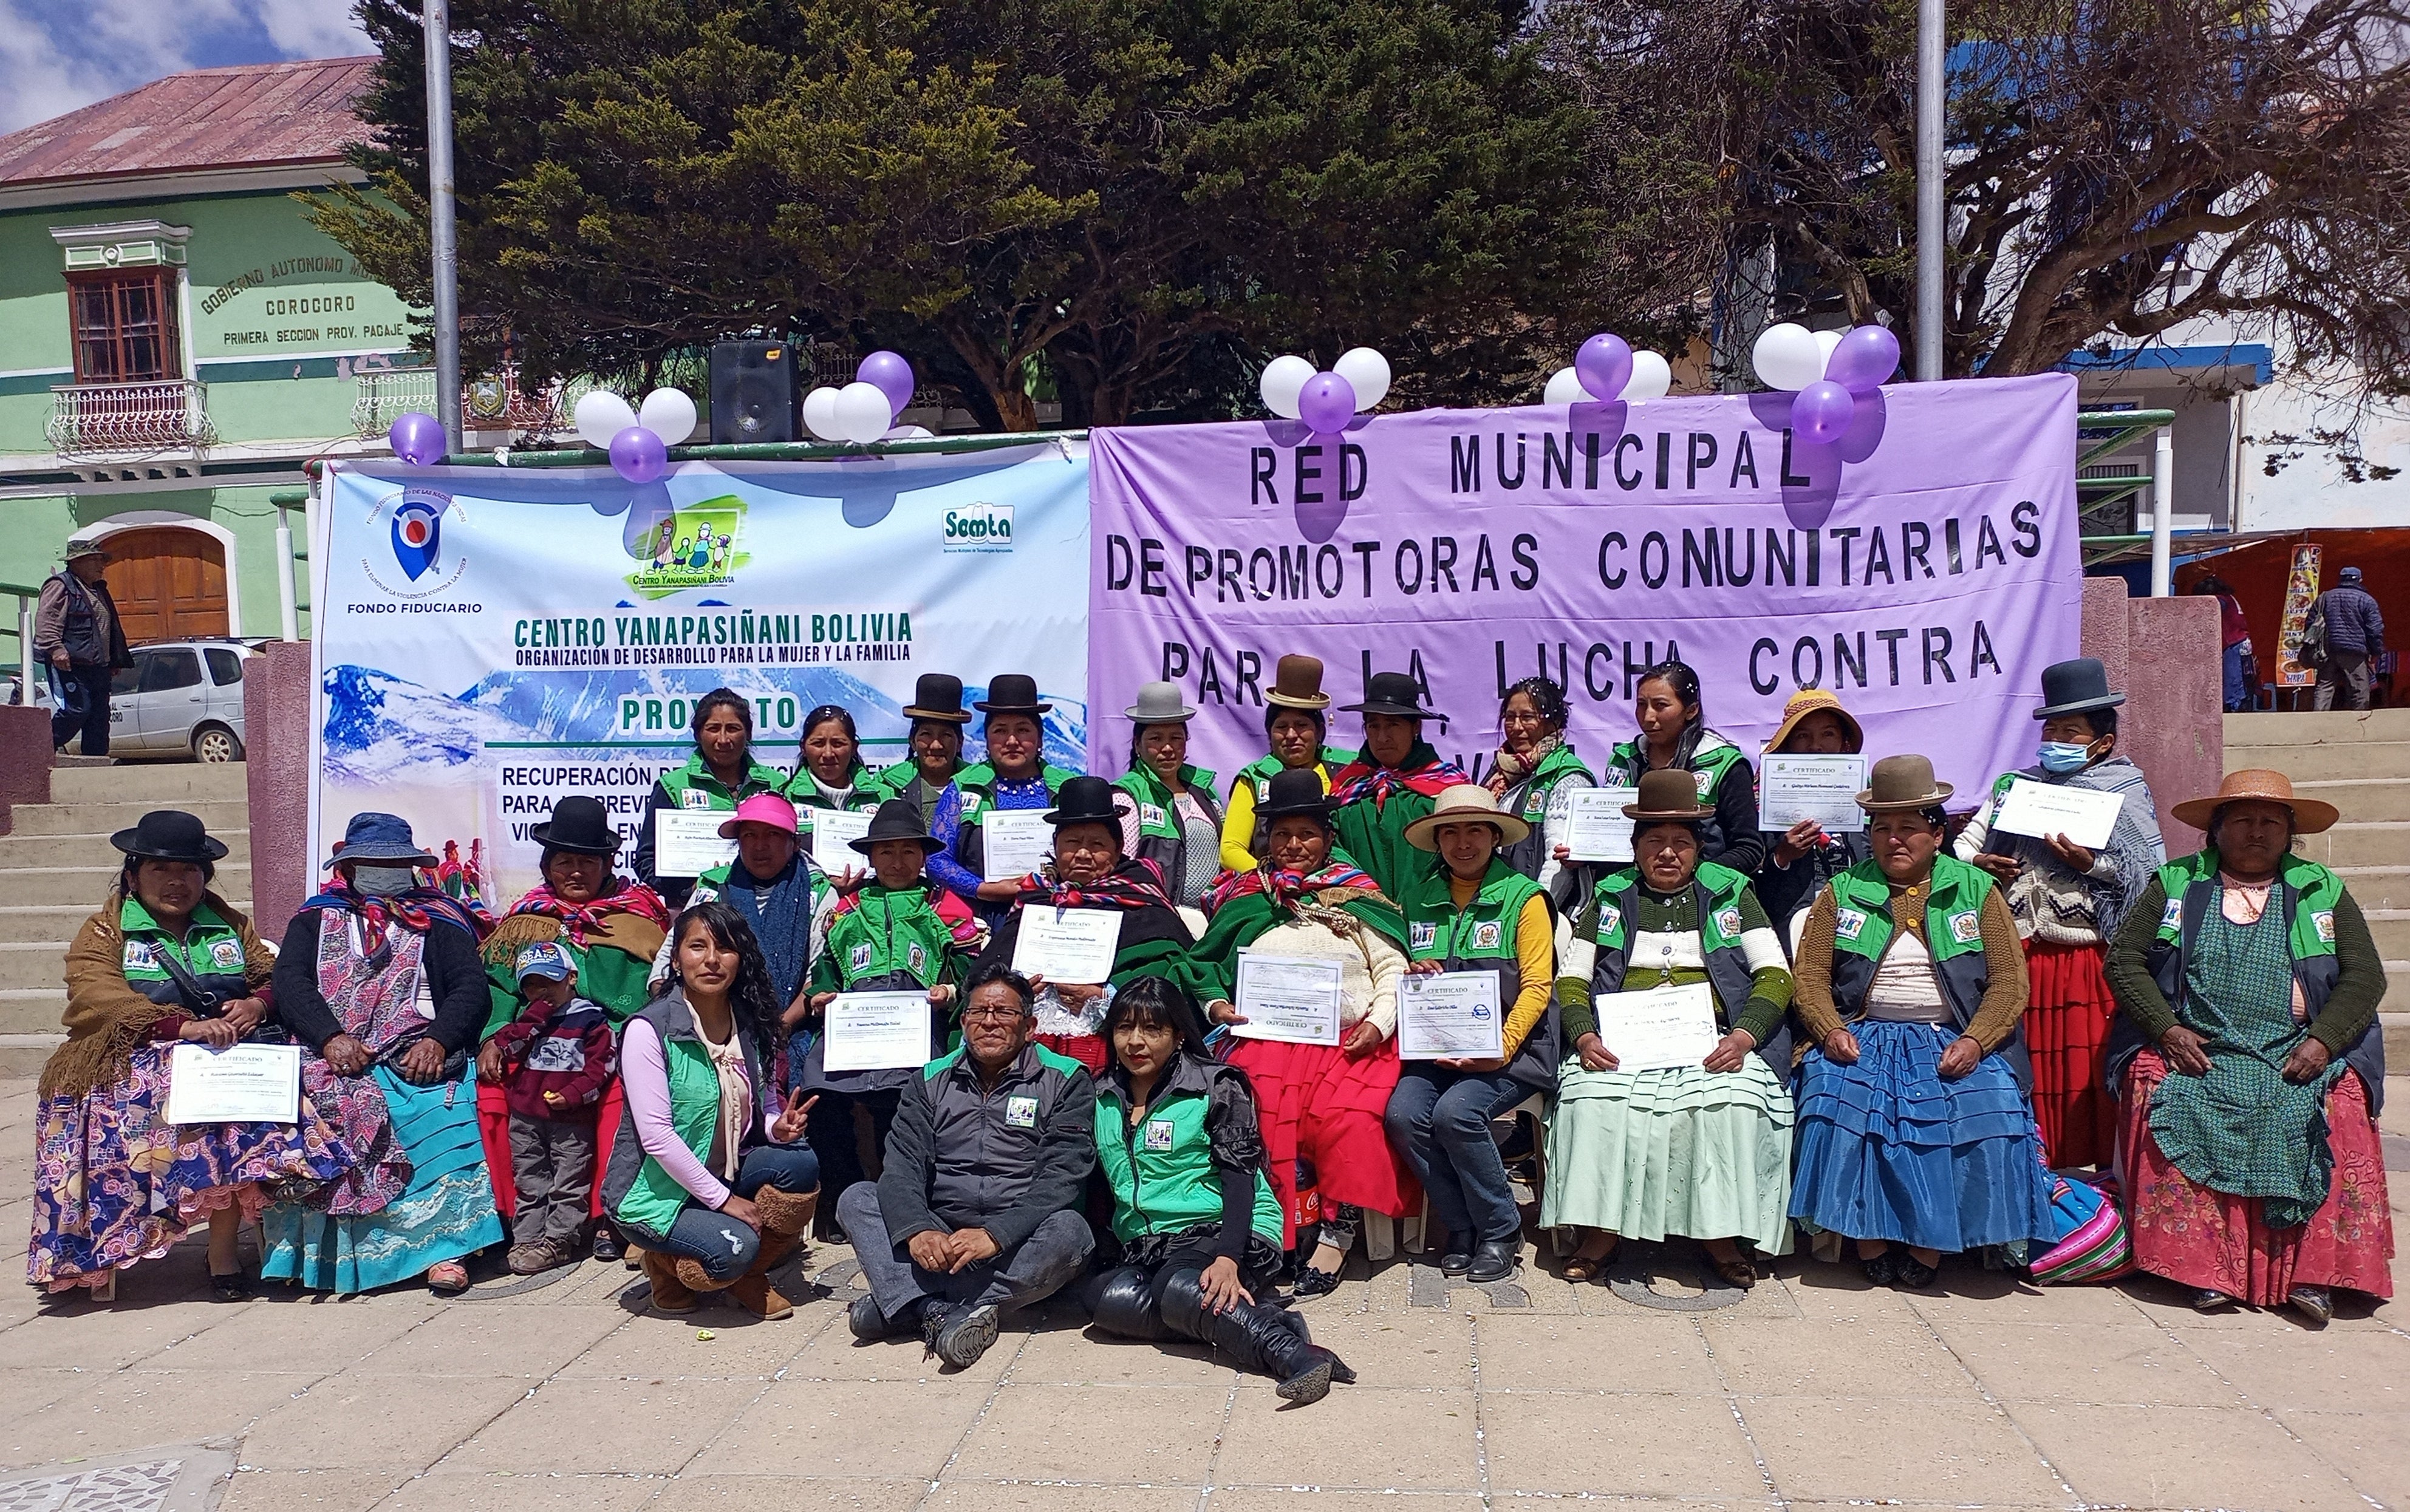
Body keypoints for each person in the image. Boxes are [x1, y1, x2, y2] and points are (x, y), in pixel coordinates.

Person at [2104, 770, 2392, 1323]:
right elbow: (2124, 961)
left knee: (2339, 1104)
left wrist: (2325, 1042)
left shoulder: (2320, 888)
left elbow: (2365, 977)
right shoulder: (2176, 882)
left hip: (2296, 1051)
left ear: (2289, 834)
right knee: (2167, 1091)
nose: (2256, 833)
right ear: (2215, 831)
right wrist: (2166, 1028)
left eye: (2270, 822)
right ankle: (2204, 1270)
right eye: (2241, 821)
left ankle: (2312, 1275)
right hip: (2202, 1048)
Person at [31, 811, 351, 1301]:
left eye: (190, 870)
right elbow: (97, 996)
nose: (177, 881)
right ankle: (128, 1235)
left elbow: (277, 975)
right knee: (195, 1105)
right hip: (136, 1057)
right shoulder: (104, 931)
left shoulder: (227, 923)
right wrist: (181, 1027)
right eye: (162, 870)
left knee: (279, 1092)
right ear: (134, 875)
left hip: (226, 1052)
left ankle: (225, 1248)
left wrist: (257, 1003)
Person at [1787, 757, 2057, 1289]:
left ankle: (1930, 1246)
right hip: (1863, 1032)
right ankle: (1868, 1238)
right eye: (1882, 829)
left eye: (1909, 828)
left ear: (1938, 833)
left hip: (1953, 1036)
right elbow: (1811, 976)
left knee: (1986, 1107)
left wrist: (1978, 1041)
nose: (1894, 841)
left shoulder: (1975, 889)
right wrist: (1828, 1029)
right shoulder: (1842, 891)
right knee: (1838, 1100)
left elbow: (2009, 981)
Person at [1543, 771, 1797, 1287]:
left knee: (1730, 1100)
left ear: (1699, 849)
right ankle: (1601, 1233)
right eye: (1654, 841)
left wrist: (1745, 1035)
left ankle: (1720, 1235)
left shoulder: (1732, 893)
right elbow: (1571, 978)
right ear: (1635, 848)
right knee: (1591, 1097)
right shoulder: (1611, 897)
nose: (1667, 853)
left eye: (1681, 842)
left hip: (1714, 1041)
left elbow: (1775, 974)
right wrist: (1585, 1035)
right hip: (1623, 1041)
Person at [1193, 768, 1417, 1295]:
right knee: (1256, 1109)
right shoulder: (1248, 897)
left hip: (1351, 1041)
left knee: (1345, 1117)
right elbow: (1205, 967)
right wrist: (1218, 1006)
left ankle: (1335, 1237)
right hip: (1266, 1038)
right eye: (1282, 834)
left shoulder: (1356, 896)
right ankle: (1280, 1235)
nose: (1294, 845)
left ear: (1328, 838)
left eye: (1307, 834)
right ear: (1265, 839)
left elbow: (1392, 968)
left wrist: (1379, 1024)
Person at [262, 813, 505, 1296]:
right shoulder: (314, 918)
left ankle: (444, 1250)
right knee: (312, 1109)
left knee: (435, 1106)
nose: (382, 871)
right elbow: (290, 983)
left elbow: (469, 988)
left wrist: (438, 1039)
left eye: (393, 863)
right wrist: (330, 1037)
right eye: (370, 863)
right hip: (328, 1050)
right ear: (348, 868)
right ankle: (322, 1260)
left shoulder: (439, 918)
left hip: (413, 1047)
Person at [1081, 978, 1354, 1405]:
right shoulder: (1101, 1096)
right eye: (1124, 1028)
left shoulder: (1215, 1085)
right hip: (1151, 1242)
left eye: (1153, 1029)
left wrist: (1228, 1257)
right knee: (1105, 1302)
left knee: (1178, 1290)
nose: (1136, 1042)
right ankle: (1262, 1320)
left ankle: (1297, 1356)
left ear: (1178, 1035)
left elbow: (1239, 1179)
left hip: (1227, 1226)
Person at [1954, 658, 2164, 1170]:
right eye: (2052, 730)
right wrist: (1982, 863)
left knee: (2085, 1074)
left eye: (2072, 732)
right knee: (2029, 1071)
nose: (2059, 740)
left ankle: (2094, 1192)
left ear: (2104, 742)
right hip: (2017, 956)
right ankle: (2035, 1174)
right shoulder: (2015, 789)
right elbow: (1961, 848)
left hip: (2085, 962)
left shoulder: (2123, 791)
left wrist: (2090, 864)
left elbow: (2147, 875)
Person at [838, 964, 1097, 1366]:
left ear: (1029, 1026)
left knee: (1072, 1232)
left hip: (1017, 1241)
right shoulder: (930, 1079)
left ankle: (909, 1301)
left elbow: (1061, 1177)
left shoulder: (1066, 1079)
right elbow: (903, 1166)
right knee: (858, 1199)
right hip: (944, 1240)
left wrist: (996, 1234)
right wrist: (918, 1231)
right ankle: (945, 1312)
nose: (990, 1022)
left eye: (1004, 1013)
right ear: (964, 1022)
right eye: (979, 1012)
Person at [604, 901, 824, 1320]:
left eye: (724, 948)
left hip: (726, 1172)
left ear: (740, 960)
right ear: (676, 958)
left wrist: (780, 1128)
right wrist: (725, 1202)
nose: (710, 960)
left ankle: (746, 1273)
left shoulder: (750, 1024)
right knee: (732, 1249)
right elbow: (657, 1137)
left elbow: (765, 1108)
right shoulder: (647, 1031)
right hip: (656, 1194)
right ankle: (670, 1264)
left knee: (800, 1164)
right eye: (697, 947)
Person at [479, 796, 673, 1262]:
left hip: (608, 1046)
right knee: (492, 1094)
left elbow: (653, 998)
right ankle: (519, 1219)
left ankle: (610, 1217)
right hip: (536, 1055)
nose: (576, 872)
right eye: (564, 861)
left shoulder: (639, 920)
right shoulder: (526, 924)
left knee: (621, 1100)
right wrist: (492, 1038)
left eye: (588, 861)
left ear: (608, 863)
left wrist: (626, 1045)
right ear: (547, 865)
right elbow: (501, 993)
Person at [1385, 785, 1557, 1284]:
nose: (1464, 843)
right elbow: (1394, 967)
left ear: (1495, 836)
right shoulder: (1416, 898)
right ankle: (1460, 1227)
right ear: (1437, 841)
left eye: (1475, 831)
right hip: (1434, 1050)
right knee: (1403, 1114)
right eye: (1451, 833)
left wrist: (1499, 1049)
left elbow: (1538, 986)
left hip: (1516, 1051)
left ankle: (1501, 1230)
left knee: (1456, 1113)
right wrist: (1411, 968)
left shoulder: (1525, 899)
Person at [791, 797, 976, 1230]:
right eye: (887, 851)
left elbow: (974, 968)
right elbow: (826, 968)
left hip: (916, 1035)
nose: (897, 861)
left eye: (909, 851)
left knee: (902, 1114)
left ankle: (902, 1208)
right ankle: (840, 1201)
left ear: (924, 856)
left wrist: (949, 991)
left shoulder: (943, 905)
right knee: (822, 1101)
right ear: (871, 856)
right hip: (852, 1035)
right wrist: (821, 995)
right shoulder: (848, 908)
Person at [975, 775, 1209, 1070]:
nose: (1083, 854)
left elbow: (1169, 975)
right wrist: (1016, 992)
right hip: (1027, 1050)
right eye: (1072, 843)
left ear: (1118, 847)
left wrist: (1106, 995)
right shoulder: (1036, 897)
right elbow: (985, 975)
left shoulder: (1141, 897)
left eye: (1097, 844)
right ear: (1055, 846)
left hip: (1118, 1049)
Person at [485, 941, 618, 1275]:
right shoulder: (529, 1020)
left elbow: (601, 1068)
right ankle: (527, 1237)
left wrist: (573, 1095)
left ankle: (560, 1239)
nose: (541, 990)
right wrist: (532, 1019)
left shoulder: (591, 1020)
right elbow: (508, 1048)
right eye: (531, 984)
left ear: (571, 978)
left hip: (570, 1118)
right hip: (526, 1116)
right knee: (530, 1179)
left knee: (568, 1180)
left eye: (550, 981)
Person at [929, 674, 1082, 917]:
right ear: (987, 739)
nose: (1012, 741)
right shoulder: (963, 787)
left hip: (1058, 911)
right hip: (981, 918)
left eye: (1023, 730)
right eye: (1000, 731)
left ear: (1040, 738)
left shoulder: (1068, 788)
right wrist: (985, 889)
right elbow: (937, 860)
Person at [632, 688, 792, 907]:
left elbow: (792, 848)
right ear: (698, 734)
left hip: (768, 905)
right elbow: (646, 860)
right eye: (713, 729)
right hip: (695, 910)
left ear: (749, 733)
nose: (723, 739)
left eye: (733, 729)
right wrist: (686, 891)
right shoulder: (673, 786)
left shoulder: (776, 784)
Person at [1605, 660, 1765, 877]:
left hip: (1703, 899)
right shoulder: (1624, 760)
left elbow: (1749, 849)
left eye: (1660, 705)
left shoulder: (1725, 765)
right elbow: (1607, 839)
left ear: (1691, 710)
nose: (1648, 717)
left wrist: (1691, 881)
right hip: (1630, 898)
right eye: (1642, 704)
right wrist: (1581, 855)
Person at [1328, 672, 1472, 899]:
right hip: (1361, 913)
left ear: (1416, 727)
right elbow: (1332, 850)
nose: (1382, 737)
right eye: (1373, 726)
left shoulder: (1448, 787)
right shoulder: (1349, 785)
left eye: (1392, 725)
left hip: (1432, 912)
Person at [1753, 689, 1872, 945]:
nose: (1815, 746)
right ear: (1787, 744)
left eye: (1828, 734)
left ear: (1843, 741)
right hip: (1790, 933)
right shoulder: (1762, 798)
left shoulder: (1870, 797)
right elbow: (1751, 884)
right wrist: (1782, 857)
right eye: (1802, 736)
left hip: (1861, 930)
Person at [1220, 655, 1354, 871]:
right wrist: (1272, 881)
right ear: (1269, 733)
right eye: (1282, 727)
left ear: (1319, 731)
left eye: (1301, 725)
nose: (1291, 735)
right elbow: (1231, 850)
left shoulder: (1346, 770)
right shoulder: (1255, 778)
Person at [1483, 676, 1596, 901]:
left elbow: (1558, 865)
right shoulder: (1501, 774)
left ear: (1552, 722)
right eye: (1510, 718)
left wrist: (1537, 912)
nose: (1516, 727)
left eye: (1527, 718)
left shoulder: (1567, 777)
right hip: (1500, 907)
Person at [1116, 681, 1227, 908]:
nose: (1167, 748)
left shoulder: (1204, 789)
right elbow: (1122, 866)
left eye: (1176, 738)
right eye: (1156, 739)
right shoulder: (1127, 795)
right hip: (1158, 919)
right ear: (1138, 744)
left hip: (1212, 918)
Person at [33, 542, 131, 758]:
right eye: (95, 560)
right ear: (76, 562)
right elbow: (46, 620)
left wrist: (114, 660)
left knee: (99, 716)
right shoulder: (60, 585)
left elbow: (108, 627)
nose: (102, 566)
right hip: (70, 663)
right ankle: (38, 749)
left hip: (98, 665)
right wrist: (56, 648)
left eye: (102, 560)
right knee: (77, 710)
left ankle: (95, 762)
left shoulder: (98, 589)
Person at [861, 673, 972, 824]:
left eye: (946, 735)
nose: (936, 745)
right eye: (926, 734)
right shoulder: (886, 787)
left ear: (960, 742)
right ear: (912, 741)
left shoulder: (978, 786)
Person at [789, 703, 880, 826]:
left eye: (838, 744)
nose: (828, 754)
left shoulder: (882, 797)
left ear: (854, 748)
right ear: (803, 748)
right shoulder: (786, 799)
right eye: (818, 743)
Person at [2312, 565, 2385, 711]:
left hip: (2328, 650)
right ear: (2360, 580)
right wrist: (2376, 652)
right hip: (2355, 652)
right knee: (2359, 689)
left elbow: (2311, 623)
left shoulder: (2325, 597)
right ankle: (2358, 722)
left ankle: (2318, 720)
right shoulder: (2366, 600)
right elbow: (2375, 630)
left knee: (2324, 687)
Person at [2194, 576, 2255, 712]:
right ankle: (2243, 704)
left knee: (2232, 678)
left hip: (2233, 643)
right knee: (2243, 678)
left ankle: (2234, 707)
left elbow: (2209, 610)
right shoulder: (2231, 598)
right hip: (2243, 641)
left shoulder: (2219, 601)